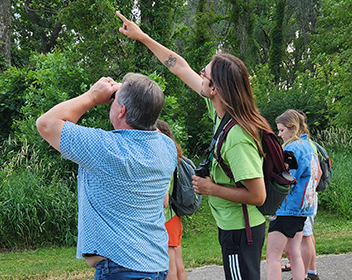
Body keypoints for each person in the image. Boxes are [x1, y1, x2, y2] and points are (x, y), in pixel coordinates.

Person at [116, 11, 269, 280]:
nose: (199, 75)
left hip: (240, 230)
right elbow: (178, 66)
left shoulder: (237, 137)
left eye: (204, 74)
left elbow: (258, 196)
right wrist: (142, 37)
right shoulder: (221, 113)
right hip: (234, 227)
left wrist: (211, 188)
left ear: (215, 89)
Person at [36, 73, 177, 279]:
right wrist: (136, 94)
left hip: (121, 269)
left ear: (122, 110)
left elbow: (46, 123)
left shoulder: (106, 149)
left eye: (114, 101)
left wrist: (93, 96)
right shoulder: (166, 147)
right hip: (155, 265)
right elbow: (145, 120)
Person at [267, 109, 320, 280]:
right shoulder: (308, 146)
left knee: (273, 257)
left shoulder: (292, 148)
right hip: (303, 207)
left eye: (282, 130)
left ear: (293, 128)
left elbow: (286, 180)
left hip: (287, 208)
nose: (279, 134)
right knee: (294, 253)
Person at [157, 120, 188, 280]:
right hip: (174, 217)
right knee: (178, 263)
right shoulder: (173, 156)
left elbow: (164, 199)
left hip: (166, 217)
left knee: (170, 269)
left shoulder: (161, 159)